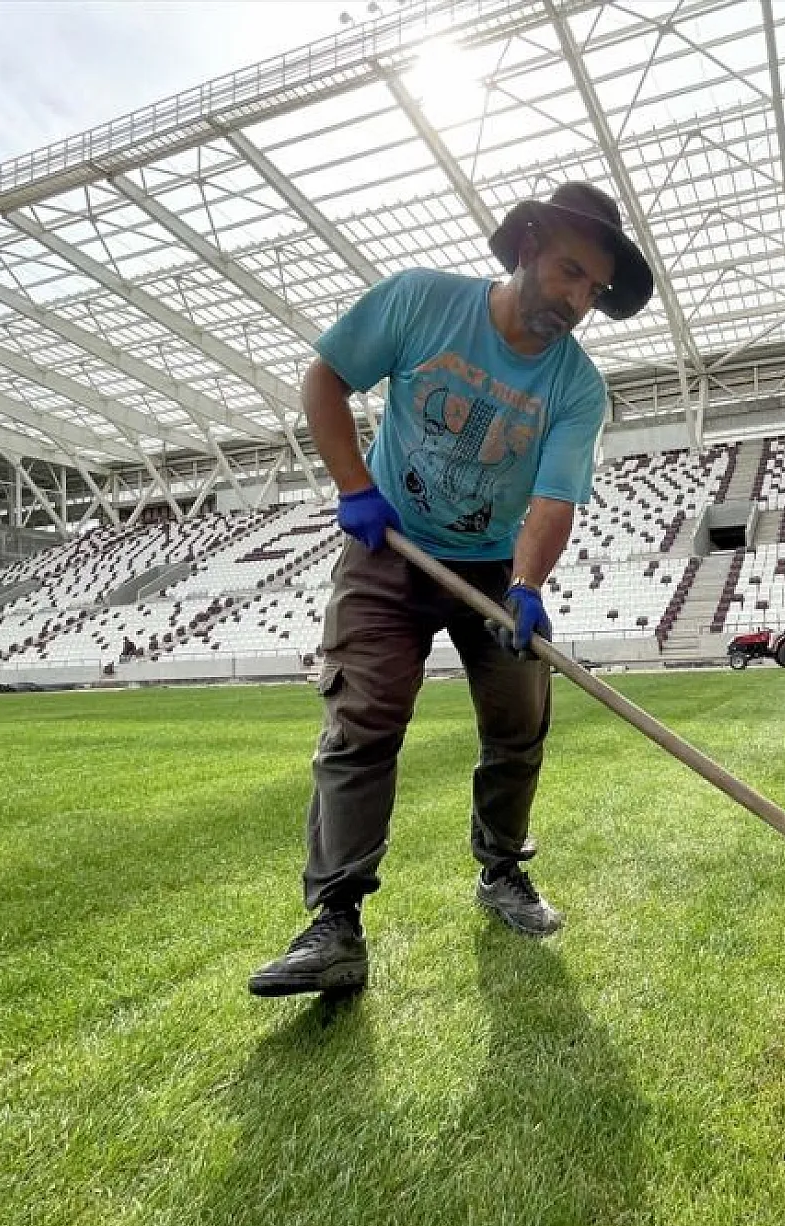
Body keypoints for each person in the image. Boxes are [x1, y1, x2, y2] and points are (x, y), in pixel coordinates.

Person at [248, 182, 654, 999]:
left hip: (492, 566)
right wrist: (353, 485)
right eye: (570, 272)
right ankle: (335, 923)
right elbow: (325, 378)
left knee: (518, 723)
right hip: (387, 549)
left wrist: (526, 586)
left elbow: (553, 499)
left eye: (592, 290)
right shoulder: (420, 303)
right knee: (362, 723)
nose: (577, 300)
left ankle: (502, 871)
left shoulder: (577, 388)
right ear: (528, 246)